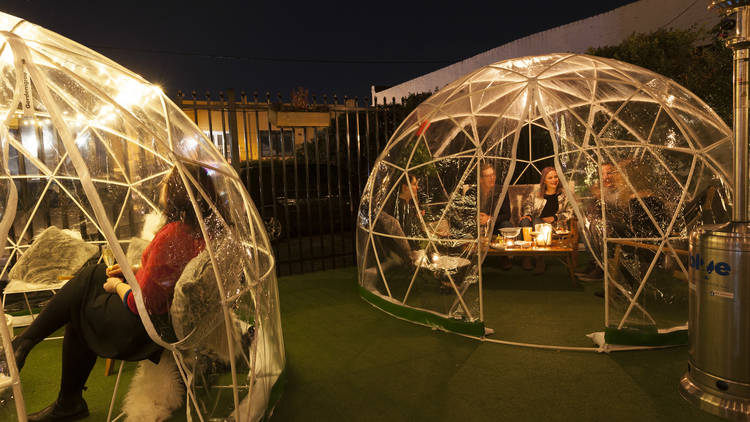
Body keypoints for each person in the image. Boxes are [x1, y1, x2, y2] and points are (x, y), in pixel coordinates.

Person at [11, 165, 219, 422]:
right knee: (97, 273)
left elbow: (143, 303)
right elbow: (169, 276)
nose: (161, 185)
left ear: (178, 192)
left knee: (87, 293)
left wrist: (119, 286)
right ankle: (59, 389)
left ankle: (35, 355)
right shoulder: (200, 230)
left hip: (148, 329)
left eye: (166, 181)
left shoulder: (173, 235)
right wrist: (135, 271)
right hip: (169, 318)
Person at [519, 166, 572, 273]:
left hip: (553, 226)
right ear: (544, 181)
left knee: (538, 222)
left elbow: (570, 212)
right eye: (550, 178)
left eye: (555, 177)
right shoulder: (536, 194)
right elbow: (527, 205)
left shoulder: (564, 195)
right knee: (526, 221)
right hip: (535, 223)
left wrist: (555, 217)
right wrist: (527, 214)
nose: (554, 180)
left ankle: (540, 259)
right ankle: (527, 256)